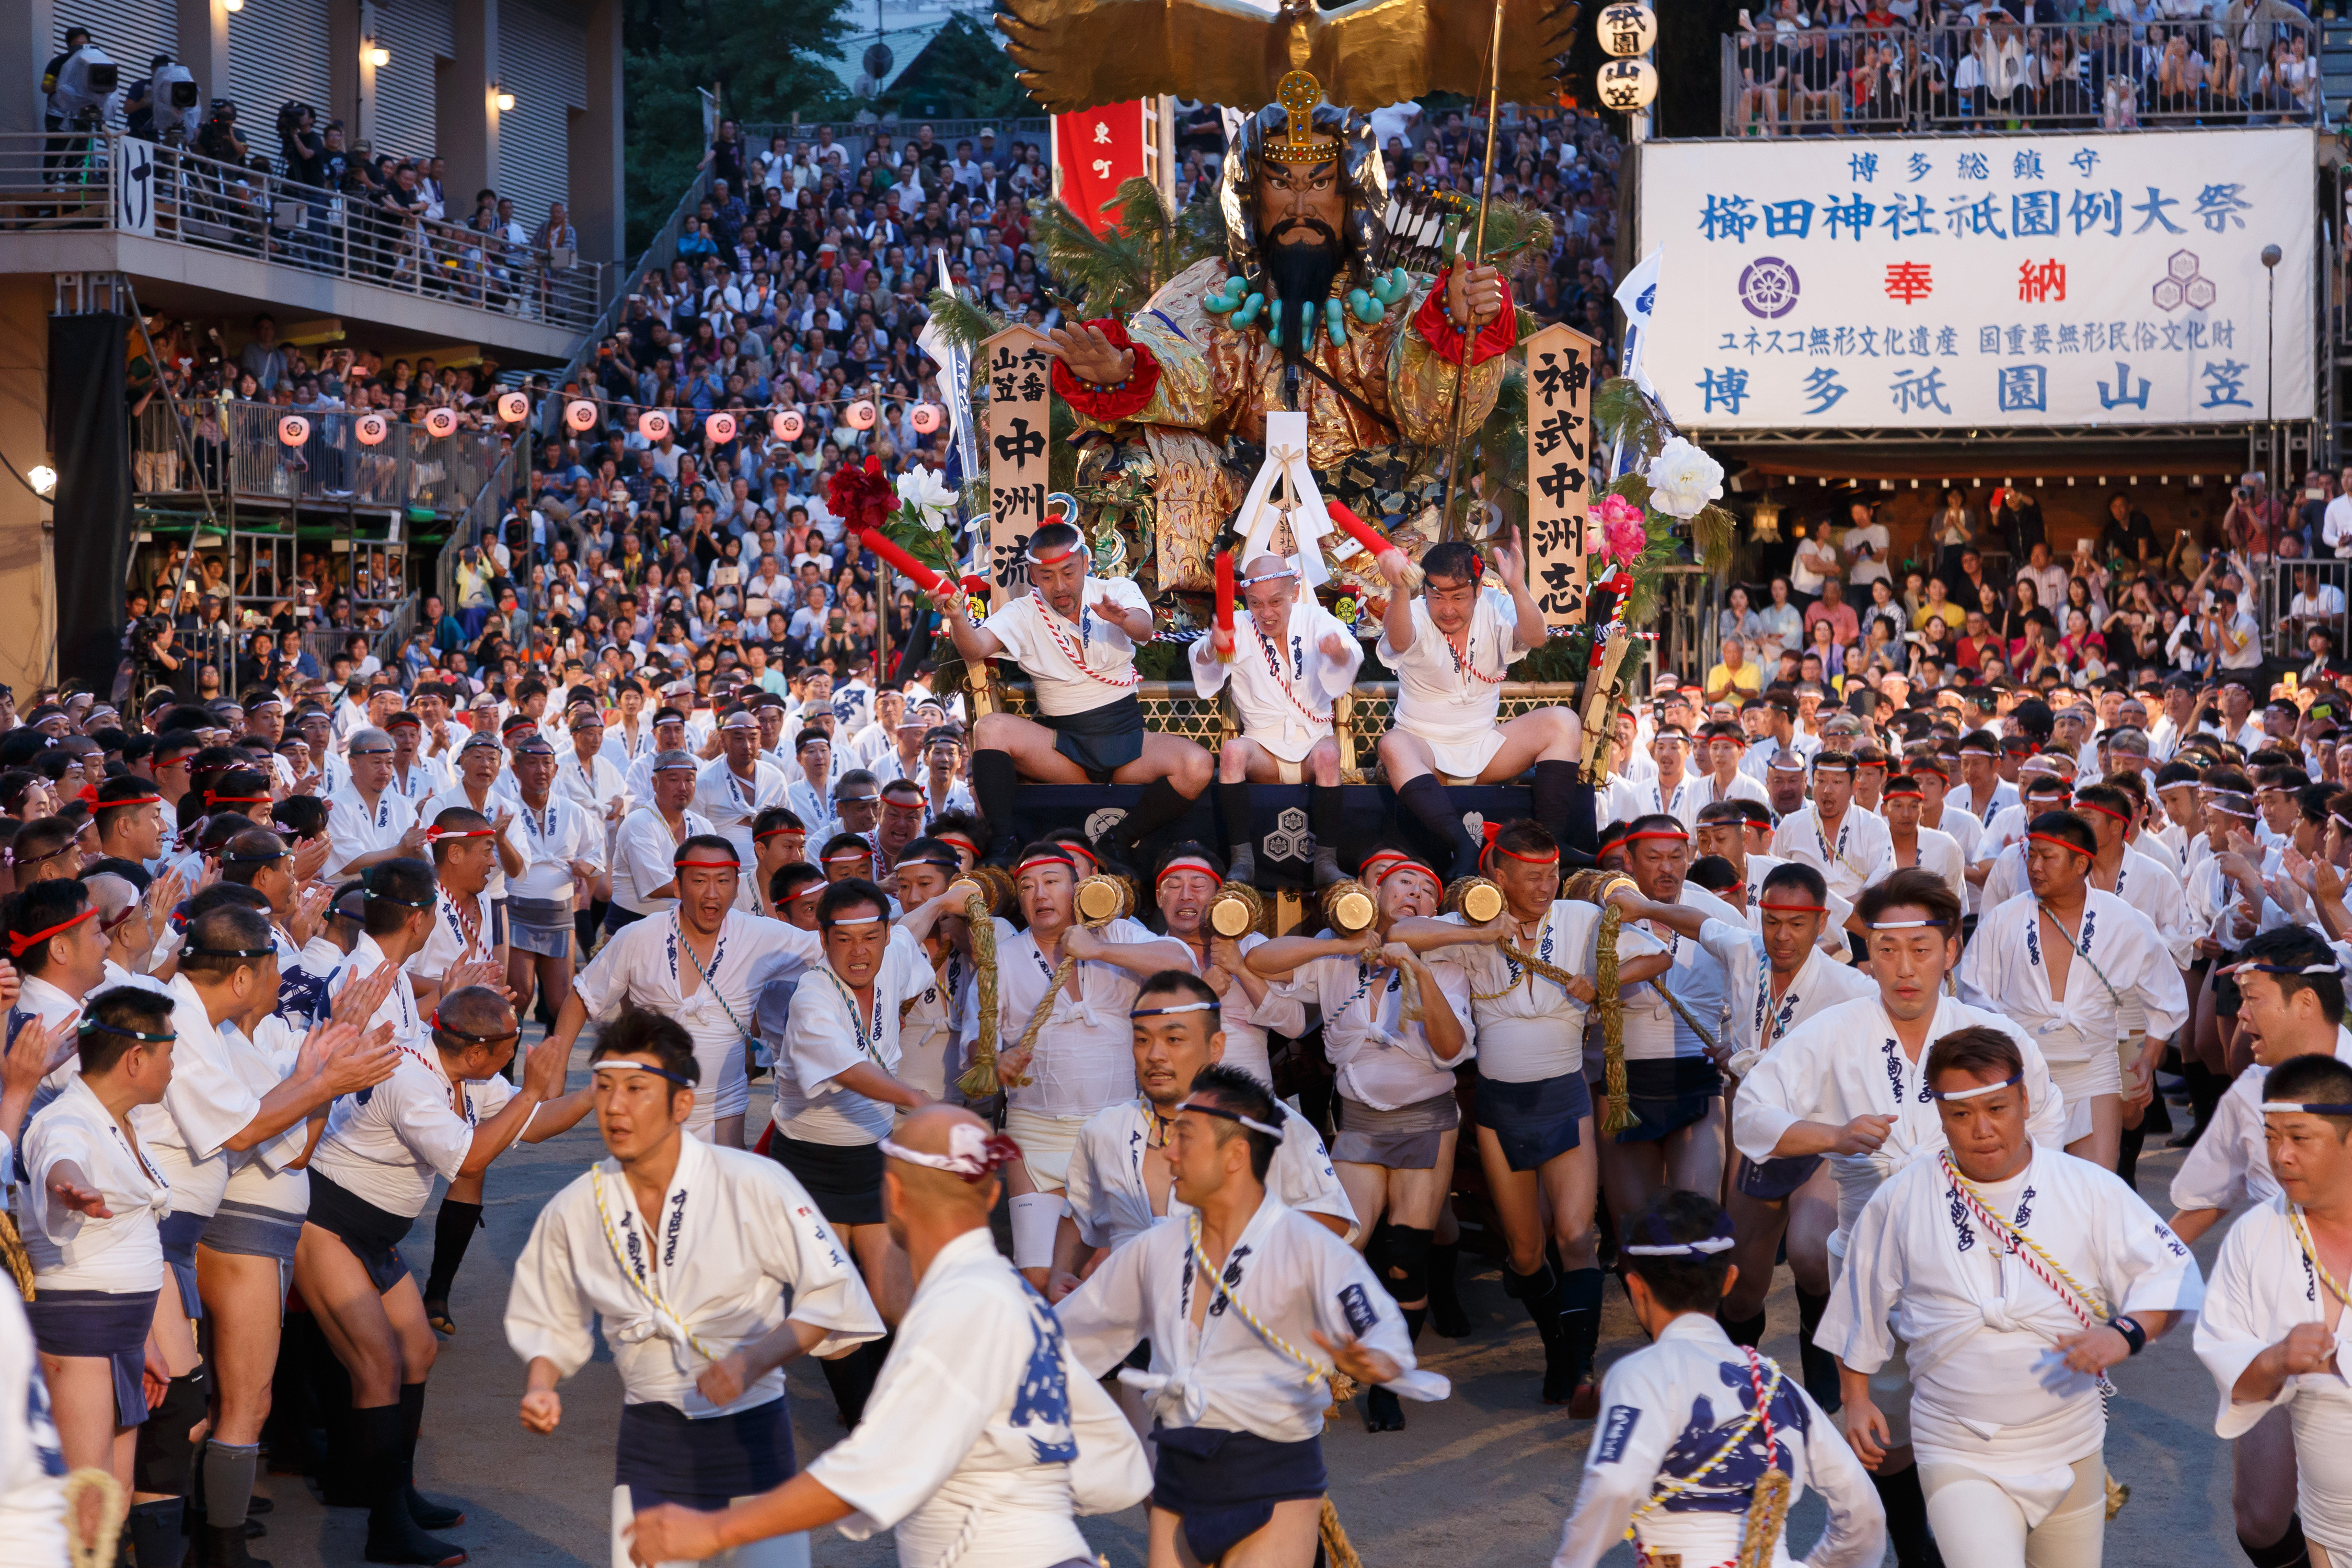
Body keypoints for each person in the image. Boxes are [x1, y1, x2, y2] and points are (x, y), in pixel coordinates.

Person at [622, 1105, 1152, 1568]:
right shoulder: (1010, 1296)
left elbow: (870, 1468)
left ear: (892, 1194)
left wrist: (716, 1529)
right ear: (991, 1195)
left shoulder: (960, 1308)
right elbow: (1119, 1464)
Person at [1732, 870, 2067, 1567]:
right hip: (1872, 1264)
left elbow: (2049, 1129)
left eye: (1921, 948)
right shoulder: (1834, 1032)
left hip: (1979, 1270)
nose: (1904, 968)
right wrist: (1832, 1135)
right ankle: (1916, 1553)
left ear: (1952, 949)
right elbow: (1753, 1114)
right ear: (1868, 952)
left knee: (1976, 1431)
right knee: (1886, 1442)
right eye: (1887, 950)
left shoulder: (1992, 1034)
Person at [508, 1006, 887, 1568]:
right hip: (652, 1435)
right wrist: (542, 1382)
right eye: (605, 1087)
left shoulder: (754, 1183)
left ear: (682, 1103)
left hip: (754, 1429)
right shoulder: (575, 1207)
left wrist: (753, 1361)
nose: (615, 1106)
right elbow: (549, 1311)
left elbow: (832, 1297)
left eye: (637, 1088)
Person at [1819, 1025, 2201, 1568]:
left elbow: (2172, 1274)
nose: (1982, 1130)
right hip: (1956, 1442)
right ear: (1940, 1116)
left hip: (2070, 1441)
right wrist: (1856, 1398)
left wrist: (2125, 1333)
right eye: (1961, 1115)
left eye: (1997, 1108)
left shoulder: (2088, 1187)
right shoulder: (1901, 1198)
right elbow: (1858, 1304)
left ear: (2025, 1101)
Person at [1056, 1063, 1447, 1568]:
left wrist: (1380, 1357)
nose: (1168, 1151)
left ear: (1236, 1155)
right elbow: (1066, 1338)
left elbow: (1372, 1318)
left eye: (1186, 1138)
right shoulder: (1154, 1250)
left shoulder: (1309, 1249)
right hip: (1177, 1490)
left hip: (1272, 1489)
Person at [300, 956, 590, 1568]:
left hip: (373, 1237)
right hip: (326, 1224)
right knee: (380, 1365)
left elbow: (528, 1126)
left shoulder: (464, 1072)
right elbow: (472, 1160)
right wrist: (535, 1090)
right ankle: (386, 1527)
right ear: (481, 1050)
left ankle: (397, 1496)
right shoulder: (415, 1080)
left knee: (418, 1351)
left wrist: (601, 1092)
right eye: (512, 1045)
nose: (517, 1054)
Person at [1384, 823, 1669, 1409]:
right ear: (1499, 875)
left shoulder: (1580, 919)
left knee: (1576, 1236)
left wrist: (1604, 980)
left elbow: (1658, 954)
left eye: (1553, 873)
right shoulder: (1473, 925)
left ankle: (1578, 1370)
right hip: (1498, 1107)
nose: (1546, 886)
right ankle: (1556, 1345)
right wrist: (1487, 930)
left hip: (1564, 1096)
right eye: (1533, 876)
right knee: (1523, 1252)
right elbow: (1402, 933)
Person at [1616, 860, 1877, 1411]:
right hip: (1758, 1135)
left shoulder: (1849, 986)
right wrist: (1643, 909)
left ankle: (1822, 1356)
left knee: (1811, 1251)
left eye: (1798, 924)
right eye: (1773, 921)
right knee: (1743, 1286)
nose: (1783, 936)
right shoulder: (1744, 951)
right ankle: (1742, 1388)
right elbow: (1696, 922)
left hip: (1821, 1139)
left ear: (1821, 922)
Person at [1244, 855, 1470, 1432]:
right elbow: (1258, 961)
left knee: (1405, 1258)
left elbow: (1451, 1050)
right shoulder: (1333, 948)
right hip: (1361, 1121)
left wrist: (1416, 969)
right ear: (1374, 890)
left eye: (1427, 889)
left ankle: (1389, 1380)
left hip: (1427, 1120)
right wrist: (1334, 950)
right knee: (1344, 1247)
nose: (1417, 895)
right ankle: (1328, 1362)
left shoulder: (1446, 958)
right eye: (1405, 884)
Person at [1548, 1191, 1886, 1568]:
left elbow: (1614, 1484)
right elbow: (1865, 1512)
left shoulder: (1637, 1376)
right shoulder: (1780, 1386)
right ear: (1729, 1281)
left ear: (1636, 1288)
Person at [767, 876, 971, 1423]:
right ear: (824, 940)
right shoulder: (813, 997)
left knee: (891, 1301)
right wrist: (914, 1098)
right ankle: (862, 1419)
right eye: (845, 940)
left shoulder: (892, 954)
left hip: (873, 1156)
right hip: (811, 1162)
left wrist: (946, 901)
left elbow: (911, 929)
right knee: (831, 1309)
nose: (860, 952)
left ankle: (899, 1402)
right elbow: (850, 1070)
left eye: (870, 937)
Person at [969, 843, 1195, 1286]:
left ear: (1077, 888)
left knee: (1105, 1274)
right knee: (1038, 1276)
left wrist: (1099, 951)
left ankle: (1101, 1357)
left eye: (1052, 882)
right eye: (1028, 886)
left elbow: (1183, 965)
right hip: (1035, 1132)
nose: (1040, 895)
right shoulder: (1003, 957)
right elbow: (974, 1050)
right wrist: (998, 1061)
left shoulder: (1118, 933)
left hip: (1112, 1128)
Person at [1053, 970, 1354, 1299]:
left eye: (1174, 1039)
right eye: (1142, 1039)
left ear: (1216, 1047)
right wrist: (1060, 1276)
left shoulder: (1273, 1127)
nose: (1155, 1055)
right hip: (1134, 1335)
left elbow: (1331, 1220)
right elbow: (1079, 1215)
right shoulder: (1104, 1132)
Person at [931, 523, 1212, 864]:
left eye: (1068, 572)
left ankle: (1118, 840)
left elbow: (1144, 626)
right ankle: (1003, 844)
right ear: (1033, 574)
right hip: (1066, 752)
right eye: (1047, 577)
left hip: (1128, 745)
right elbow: (976, 648)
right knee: (990, 729)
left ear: (1085, 562)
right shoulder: (1022, 613)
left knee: (1197, 765)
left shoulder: (1115, 590)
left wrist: (1121, 618)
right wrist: (958, 617)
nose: (1060, 586)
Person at [20, 987, 184, 1568]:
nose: (175, 1064)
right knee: (84, 1518)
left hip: (118, 1332)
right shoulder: (66, 1121)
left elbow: (129, 1241)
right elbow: (58, 1159)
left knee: (108, 1513)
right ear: (136, 1059)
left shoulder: (119, 1118)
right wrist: (70, 1188)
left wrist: (143, 1340)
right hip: (80, 1334)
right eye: (170, 1049)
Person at [1956, 809, 2187, 1171]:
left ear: (2081, 864)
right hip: (2022, 1069)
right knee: (2027, 1186)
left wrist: (2149, 1057)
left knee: (2095, 1185)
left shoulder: (2123, 919)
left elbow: (2167, 993)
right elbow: (1974, 990)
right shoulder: (2005, 919)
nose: (2035, 866)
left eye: (2048, 857)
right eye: (2031, 854)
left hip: (2093, 1069)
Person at [2192, 1050, 2352, 1568]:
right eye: (2270, 1137)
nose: (2280, 1156)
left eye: (2299, 1138)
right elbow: (2232, 1367)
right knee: (2260, 1519)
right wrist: (2276, 1359)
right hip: (2329, 1527)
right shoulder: (2255, 1236)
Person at [562, 835, 824, 1149]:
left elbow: (831, 950)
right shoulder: (639, 936)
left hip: (724, 1106)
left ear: (737, 887)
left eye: (723, 881)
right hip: (651, 1101)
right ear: (677, 887)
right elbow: (583, 997)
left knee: (720, 1189)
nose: (712, 894)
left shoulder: (760, 936)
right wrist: (556, 1068)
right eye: (699, 880)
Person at [1373, 540, 1588, 878]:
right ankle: (1462, 846)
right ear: (1425, 589)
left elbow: (1535, 637)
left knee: (1562, 722)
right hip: (1425, 753)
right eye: (1437, 597)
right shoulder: (1412, 611)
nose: (1447, 609)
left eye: (1458, 597)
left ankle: (1552, 844)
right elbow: (1400, 641)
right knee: (1393, 744)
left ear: (1477, 590)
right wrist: (1399, 590)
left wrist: (1518, 587)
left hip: (1486, 749)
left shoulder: (1496, 604)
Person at [1188, 553, 1360, 886]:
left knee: (1328, 755)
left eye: (1276, 602)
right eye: (1255, 604)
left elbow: (1348, 655)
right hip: (1262, 746)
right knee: (1233, 753)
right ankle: (1241, 861)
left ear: (1294, 592)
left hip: (1312, 741)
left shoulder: (1315, 619)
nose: (1266, 614)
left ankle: (1326, 862)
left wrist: (1336, 650)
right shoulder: (1237, 625)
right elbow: (1203, 661)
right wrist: (1213, 645)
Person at [1148, 845, 1297, 1086]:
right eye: (1174, 886)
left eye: (1198, 886)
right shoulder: (1144, 952)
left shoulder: (1253, 947)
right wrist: (1201, 993)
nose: (1186, 895)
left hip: (1249, 1101)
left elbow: (1294, 1026)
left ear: (1218, 896)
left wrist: (1241, 968)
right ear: (1158, 897)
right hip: (1176, 1103)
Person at [503, 734, 602, 1027]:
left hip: (559, 912)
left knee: (561, 1004)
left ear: (556, 770)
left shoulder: (572, 810)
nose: (541, 770)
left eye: (547, 763)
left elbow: (597, 855)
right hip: (517, 909)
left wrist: (586, 868)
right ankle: (505, 1070)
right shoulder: (505, 810)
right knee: (520, 995)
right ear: (516, 769)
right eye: (531, 763)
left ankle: (548, 1065)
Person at [609, 751, 717, 934]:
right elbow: (656, 888)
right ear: (655, 784)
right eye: (673, 780)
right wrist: (712, 888)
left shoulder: (704, 825)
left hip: (684, 921)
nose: (683, 787)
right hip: (632, 924)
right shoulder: (639, 823)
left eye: (689, 780)